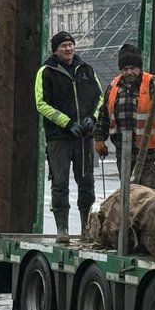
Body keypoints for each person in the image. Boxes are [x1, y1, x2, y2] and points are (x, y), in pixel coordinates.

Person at [35, 30, 102, 244]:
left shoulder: (87, 70)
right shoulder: (46, 72)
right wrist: (66, 122)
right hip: (59, 138)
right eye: (63, 45)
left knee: (86, 183)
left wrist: (93, 117)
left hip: (84, 137)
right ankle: (62, 229)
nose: (68, 49)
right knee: (60, 182)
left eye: (71, 45)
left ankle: (86, 228)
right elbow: (41, 104)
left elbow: (100, 97)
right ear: (56, 49)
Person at [93, 44, 155, 190]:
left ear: (139, 67)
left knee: (148, 193)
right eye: (125, 69)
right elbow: (104, 115)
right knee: (128, 194)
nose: (129, 72)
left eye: (133, 68)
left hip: (151, 153)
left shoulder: (152, 82)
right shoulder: (114, 86)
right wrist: (99, 139)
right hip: (125, 152)